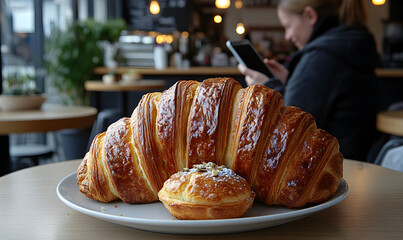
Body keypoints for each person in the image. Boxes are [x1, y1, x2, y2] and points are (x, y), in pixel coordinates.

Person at [238, 0, 380, 161]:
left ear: (310, 15)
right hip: (357, 159)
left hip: (334, 167)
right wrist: (291, 81)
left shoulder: (322, 56)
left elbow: (290, 128)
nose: (288, 36)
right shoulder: (348, 43)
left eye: (288, 26)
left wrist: (268, 88)